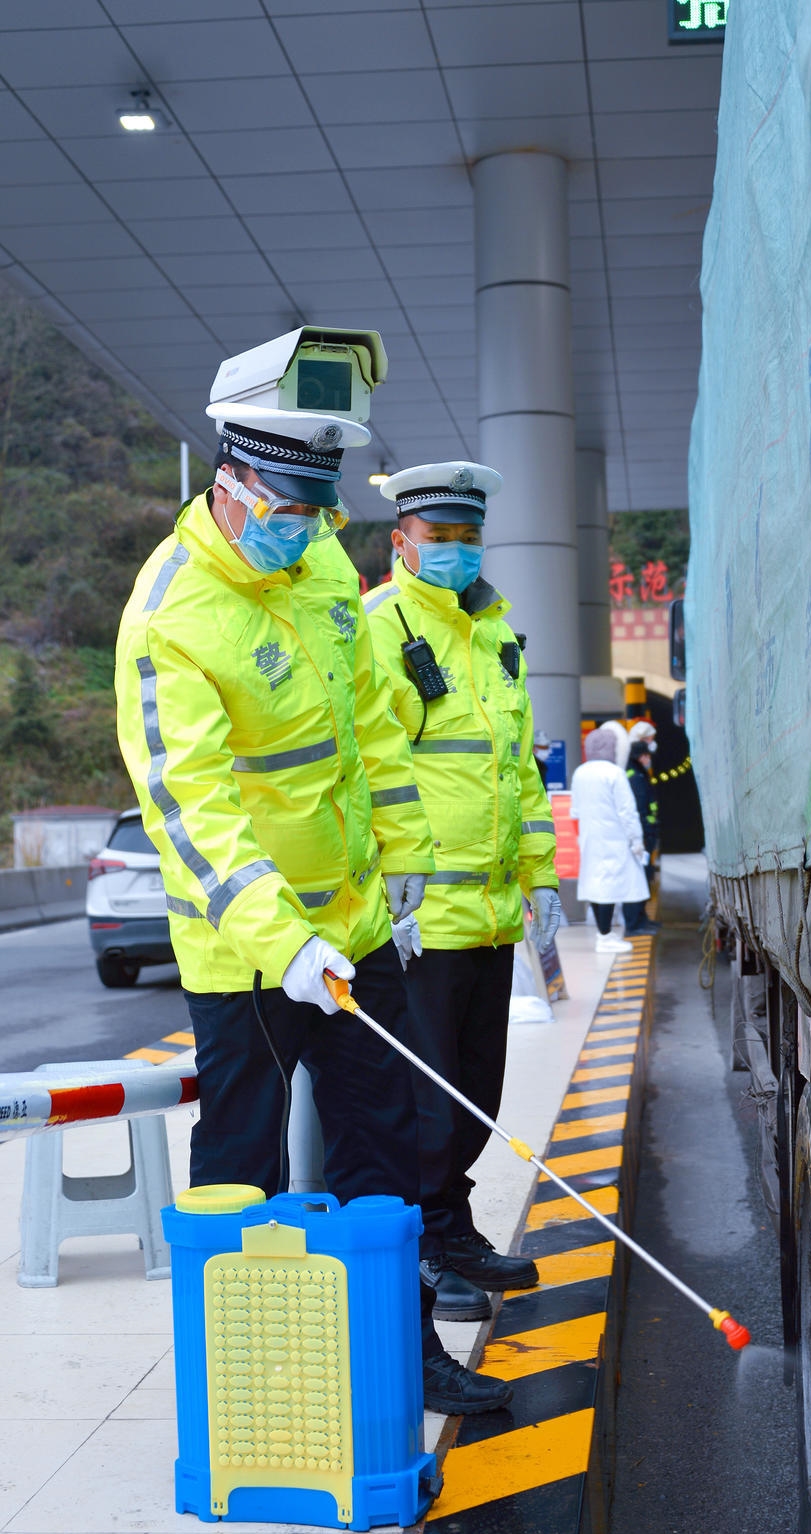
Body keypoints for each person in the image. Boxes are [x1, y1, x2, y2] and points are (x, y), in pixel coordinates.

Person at [114, 335, 511, 1416]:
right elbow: (191, 815)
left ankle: (394, 1349)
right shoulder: (171, 620)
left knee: (381, 1141)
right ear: (230, 487)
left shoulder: (324, 560)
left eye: (319, 510)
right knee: (241, 1161)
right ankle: (245, 1377)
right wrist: (283, 944)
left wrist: (406, 869)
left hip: (357, 924)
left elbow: (371, 730)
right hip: (246, 953)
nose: (307, 530)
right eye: (288, 509)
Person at [363, 461, 563, 1323]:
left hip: (487, 913)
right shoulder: (377, 629)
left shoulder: (495, 638)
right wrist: (379, 889)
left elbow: (518, 774)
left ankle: (452, 1226)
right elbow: (367, 768)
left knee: (477, 1090)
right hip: (419, 918)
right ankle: (421, 1249)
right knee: (424, 1101)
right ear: (399, 540)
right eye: (438, 535)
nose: (454, 548)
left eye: (468, 534)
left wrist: (540, 877)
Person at [570, 726, 650, 953]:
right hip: (614, 839)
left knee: (596, 886)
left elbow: (574, 811)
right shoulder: (614, 773)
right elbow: (627, 811)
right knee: (608, 887)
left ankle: (603, 932)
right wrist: (637, 841)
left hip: (589, 837)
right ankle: (605, 937)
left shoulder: (580, 772)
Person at [625, 724, 661, 936]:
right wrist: (646, 834)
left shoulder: (639, 774)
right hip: (641, 836)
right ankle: (634, 923)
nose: (649, 759)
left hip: (645, 835)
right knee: (637, 879)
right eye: (646, 755)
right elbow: (639, 808)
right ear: (640, 756)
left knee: (644, 878)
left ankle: (642, 919)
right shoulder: (635, 777)